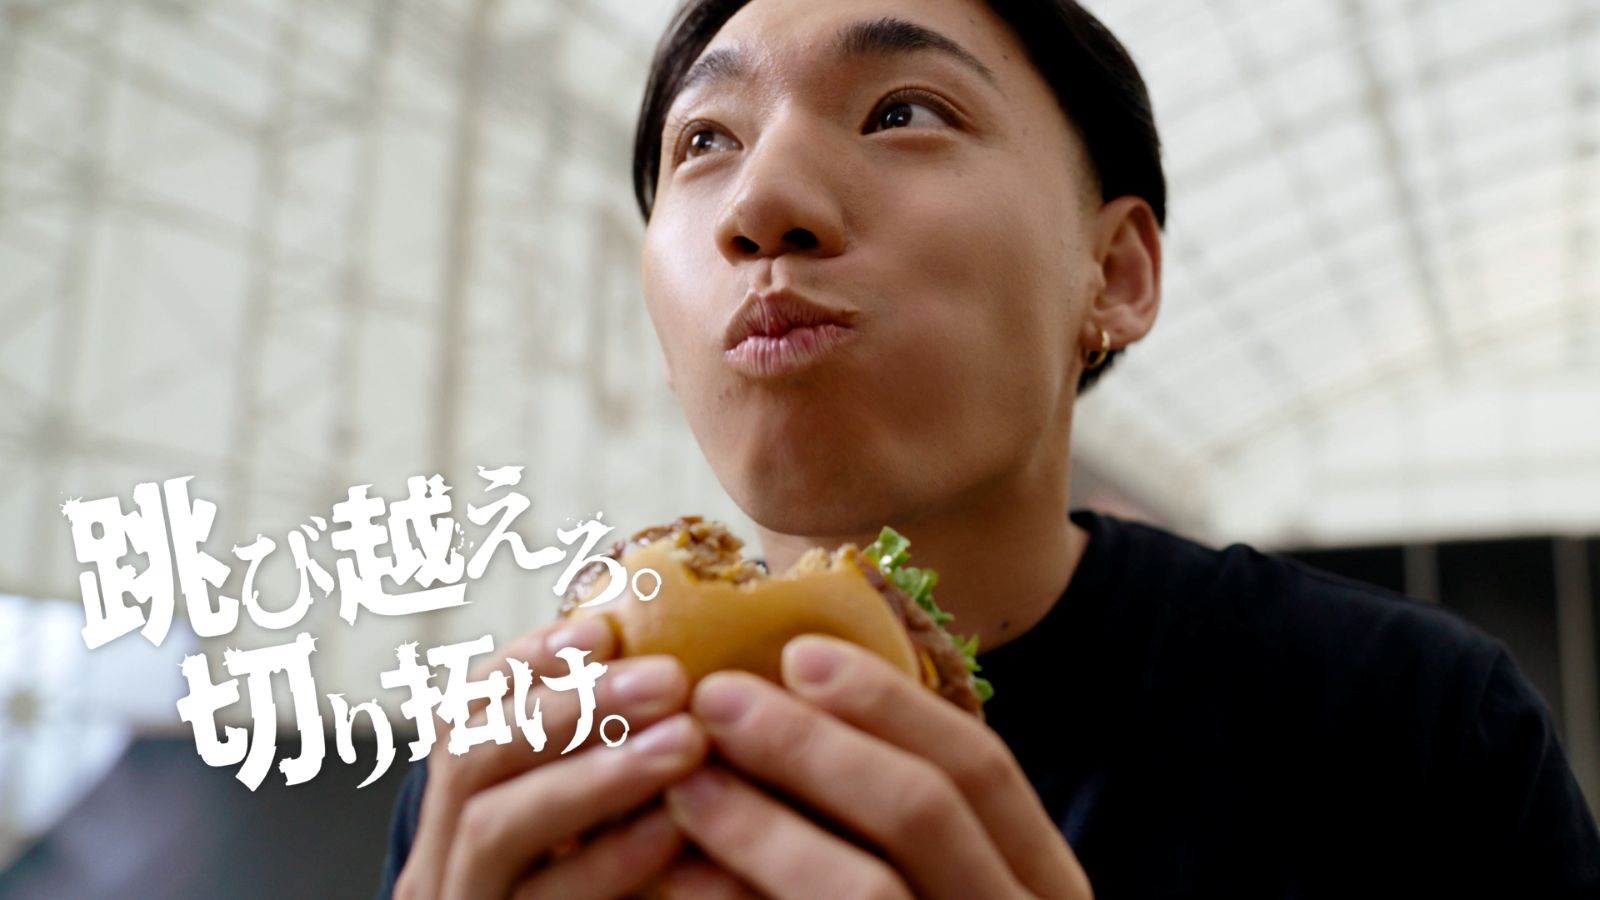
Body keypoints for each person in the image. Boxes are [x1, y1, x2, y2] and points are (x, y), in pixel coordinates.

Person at [379, 0, 1600, 896]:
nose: (759, 208)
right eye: (704, 141)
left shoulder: (1407, 727)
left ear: (1113, 274)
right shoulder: (523, 771)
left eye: (903, 112)